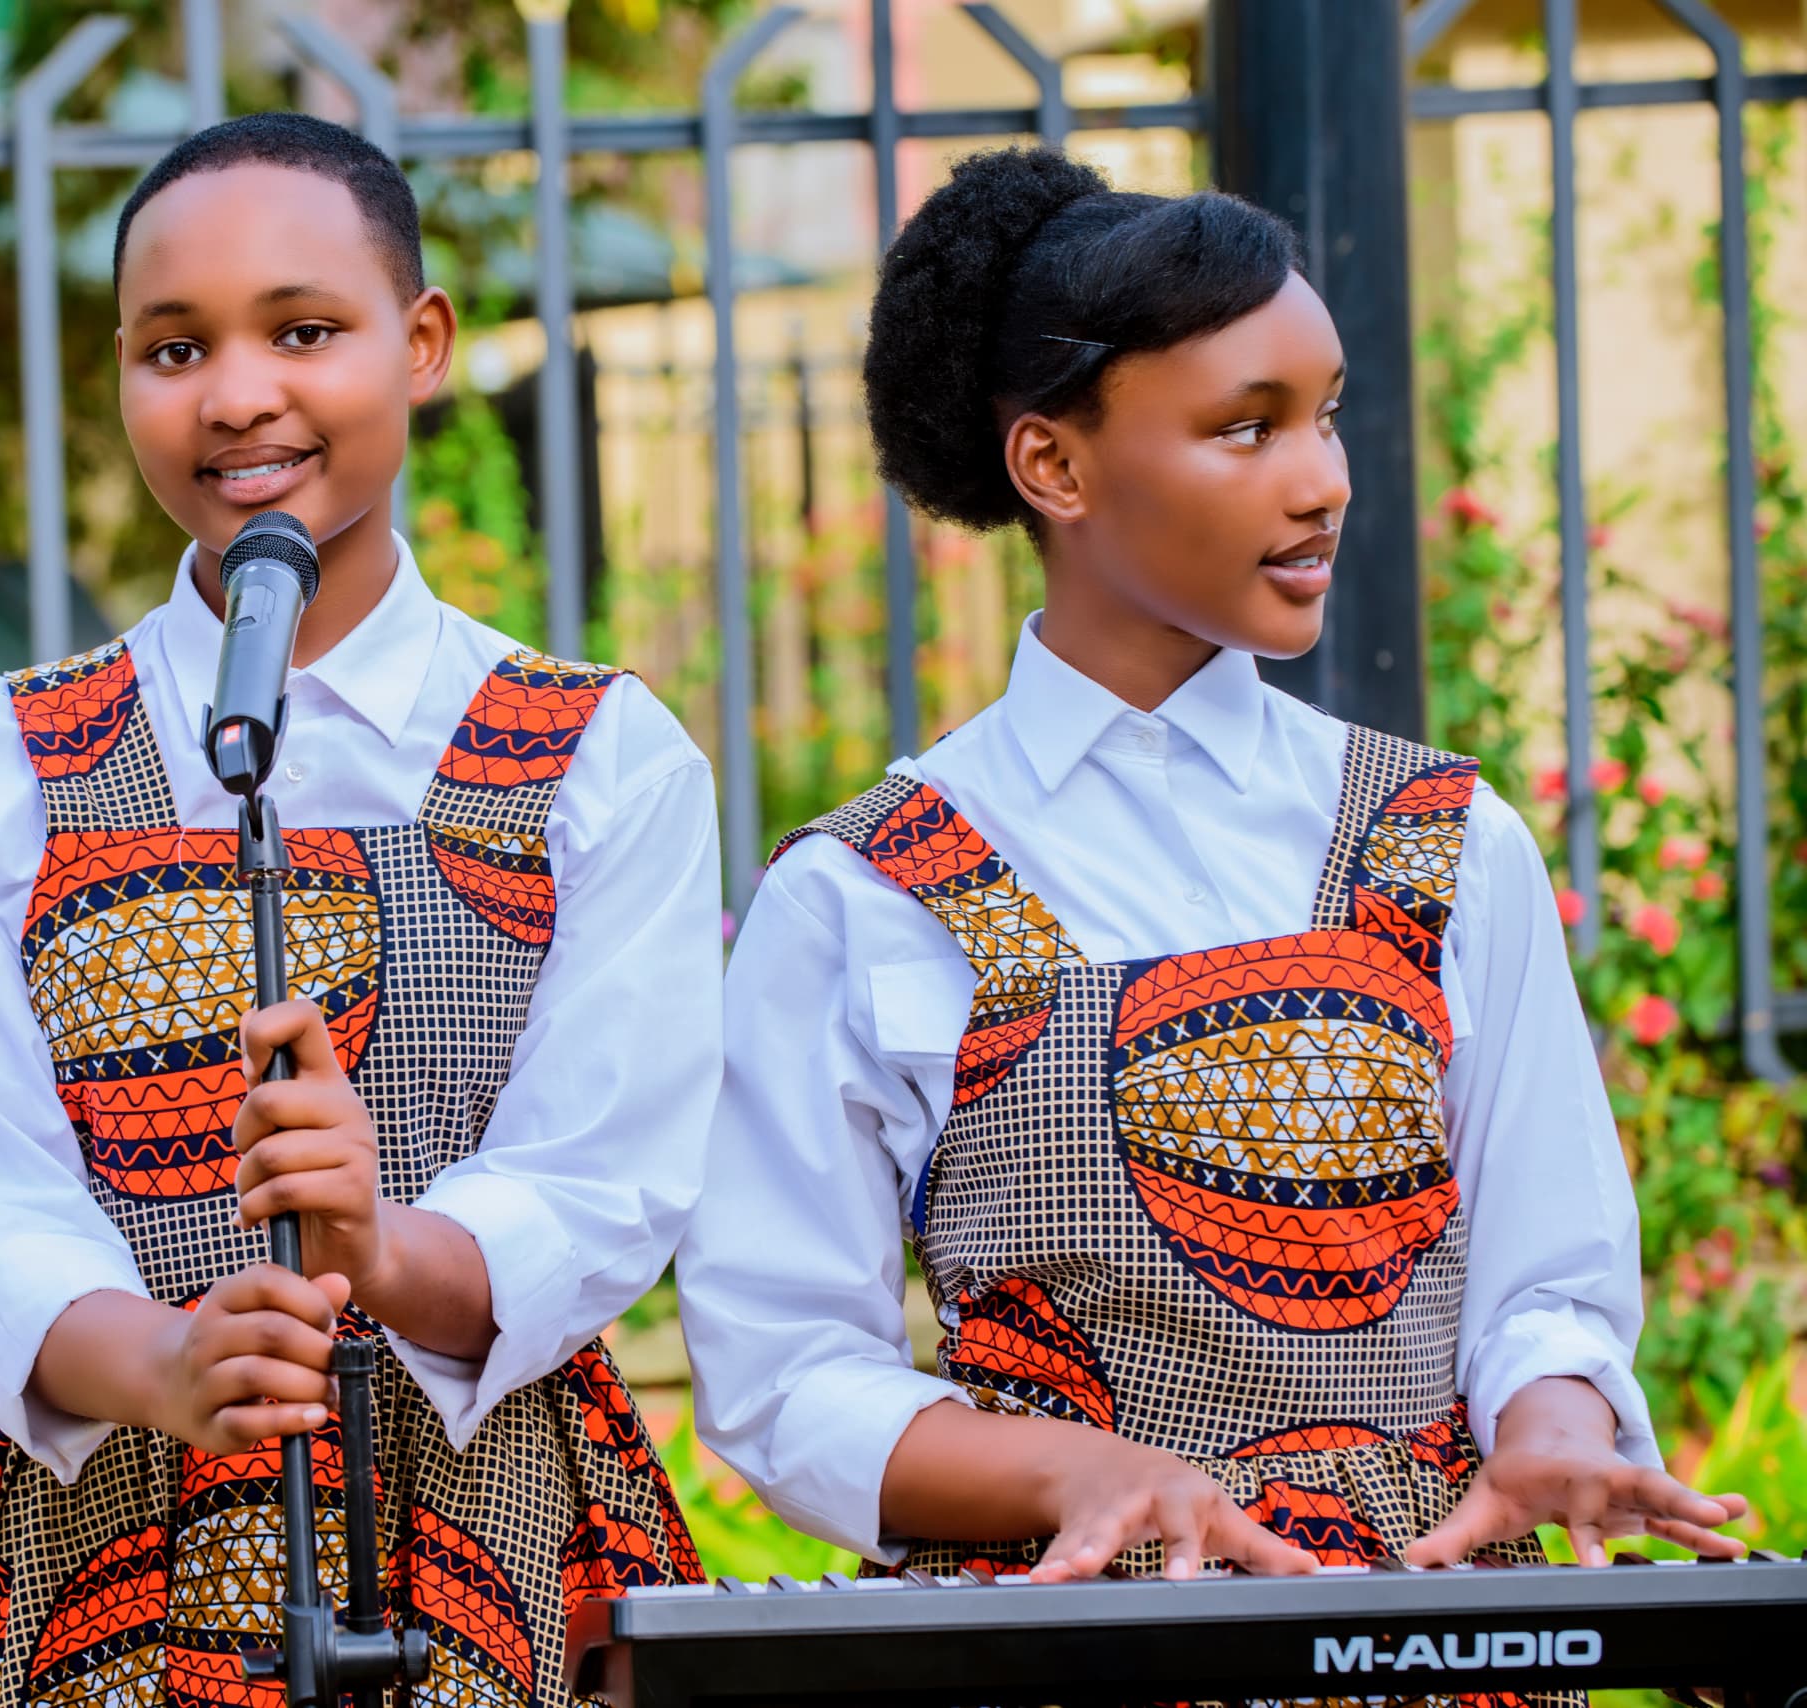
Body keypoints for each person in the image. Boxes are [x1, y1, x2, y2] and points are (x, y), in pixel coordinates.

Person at [677, 147, 1751, 1613]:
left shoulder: (1445, 841)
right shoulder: (866, 894)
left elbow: (1547, 1274)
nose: (1323, 481)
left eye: (1326, 415)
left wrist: (1555, 1429)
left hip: (1433, 1640)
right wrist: (1075, 1473)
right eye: (1247, 429)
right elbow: (783, 1369)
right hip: (1067, 1648)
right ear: (1054, 467)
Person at [0, 111, 717, 1708]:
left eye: (304, 331)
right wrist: (169, 1363)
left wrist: (385, 1248)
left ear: (423, 343)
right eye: (174, 348)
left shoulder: (600, 757)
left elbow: (604, 1181)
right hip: (111, 1548)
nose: (238, 393)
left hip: (496, 1538)